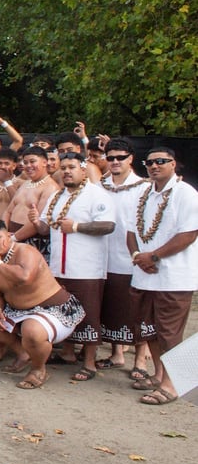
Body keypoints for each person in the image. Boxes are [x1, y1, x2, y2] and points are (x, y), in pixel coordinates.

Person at [33, 153, 115, 381]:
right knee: (63, 311)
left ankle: (89, 363)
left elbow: (108, 225)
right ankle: (68, 353)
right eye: (63, 167)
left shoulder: (97, 194)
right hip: (59, 267)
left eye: (72, 167)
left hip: (86, 268)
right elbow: (43, 228)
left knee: (88, 314)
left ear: (83, 170)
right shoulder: (56, 196)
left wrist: (77, 226)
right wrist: (34, 220)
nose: (67, 171)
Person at [126, 147, 198, 405]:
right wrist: (138, 256)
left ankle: (172, 384)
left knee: (169, 333)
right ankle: (158, 374)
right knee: (148, 329)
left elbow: (189, 234)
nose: (155, 166)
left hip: (174, 277)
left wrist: (153, 256)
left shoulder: (186, 194)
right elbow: (131, 231)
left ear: (174, 164)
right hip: (144, 274)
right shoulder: (143, 195)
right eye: (150, 163)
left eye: (161, 161)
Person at [0, 220, 86, 390]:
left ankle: (38, 369)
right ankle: (23, 352)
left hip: (53, 309)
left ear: (9, 236)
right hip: (17, 310)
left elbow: (24, 277)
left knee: (32, 331)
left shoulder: (25, 251)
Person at [97, 139, 151, 378]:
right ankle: (116, 353)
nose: (115, 162)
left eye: (120, 157)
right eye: (110, 158)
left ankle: (140, 359)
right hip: (103, 256)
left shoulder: (144, 187)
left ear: (131, 158)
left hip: (132, 256)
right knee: (111, 306)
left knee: (136, 310)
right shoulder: (100, 185)